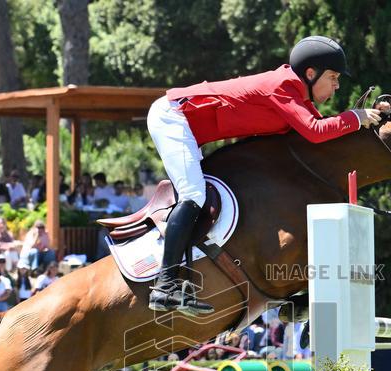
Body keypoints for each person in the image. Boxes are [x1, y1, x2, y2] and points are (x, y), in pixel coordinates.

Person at [145, 35, 379, 314]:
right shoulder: (282, 87)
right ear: (310, 73)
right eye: (333, 77)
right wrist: (355, 117)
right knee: (194, 195)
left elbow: (322, 132)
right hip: (173, 117)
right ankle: (165, 286)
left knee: (204, 197)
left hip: (188, 128)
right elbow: (317, 132)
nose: (337, 85)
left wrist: (370, 120)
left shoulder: (297, 96)